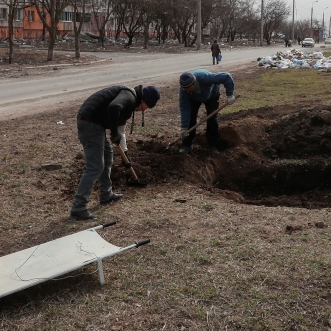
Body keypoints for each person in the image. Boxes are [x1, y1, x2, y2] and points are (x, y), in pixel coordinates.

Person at [71, 84, 161, 221]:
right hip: (89, 123)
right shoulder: (129, 96)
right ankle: (78, 207)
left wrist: (126, 157)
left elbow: (121, 132)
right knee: (95, 167)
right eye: (145, 108)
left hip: (95, 124)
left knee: (108, 157)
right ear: (143, 102)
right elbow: (114, 107)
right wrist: (113, 133)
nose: (142, 110)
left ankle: (106, 195)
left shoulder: (128, 105)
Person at [178, 70, 235, 156]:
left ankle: (213, 145)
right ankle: (187, 145)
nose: (184, 90)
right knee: (191, 119)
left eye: (186, 88)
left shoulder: (205, 78)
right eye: (183, 88)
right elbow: (185, 109)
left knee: (212, 119)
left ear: (193, 84)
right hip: (194, 99)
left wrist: (230, 95)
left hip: (212, 95)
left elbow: (227, 76)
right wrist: (184, 127)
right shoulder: (184, 91)